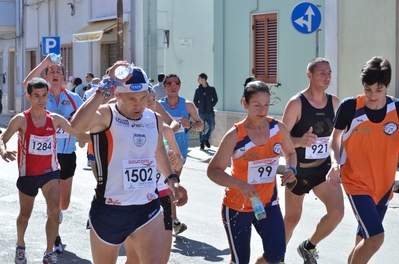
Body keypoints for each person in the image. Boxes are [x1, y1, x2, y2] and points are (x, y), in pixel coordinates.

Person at [70, 63, 187, 264]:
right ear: (117, 94)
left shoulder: (154, 119)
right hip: (110, 209)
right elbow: (76, 126)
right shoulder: (106, 114)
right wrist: (102, 90)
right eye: (132, 99)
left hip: (147, 206)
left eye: (143, 98)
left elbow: (158, 150)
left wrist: (172, 180)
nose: (139, 104)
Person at [207, 80, 297, 264]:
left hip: (268, 204)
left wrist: (291, 168)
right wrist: (240, 184)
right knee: (240, 261)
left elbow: (291, 152)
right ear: (245, 104)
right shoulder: (235, 135)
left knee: (277, 254)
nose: (262, 111)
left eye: (266, 105)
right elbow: (213, 171)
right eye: (256, 105)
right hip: (237, 207)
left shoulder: (277, 128)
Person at [0, 77, 88, 264]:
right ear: (28, 96)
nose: (41, 99)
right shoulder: (21, 119)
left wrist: (98, 136)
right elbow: (2, 138)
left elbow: (77, 133)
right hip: (28, 174)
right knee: (25, 215)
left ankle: (49, 252)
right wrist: (3, 150)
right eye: (36, 96)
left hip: (51, 172)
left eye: (44, 95)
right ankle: (20, 245)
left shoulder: (55, 119)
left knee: (54, 210)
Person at [327, 56, 399, 264]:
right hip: (356, 183)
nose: (373, 95)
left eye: (379, 89)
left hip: (384, 187)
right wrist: (334, 163)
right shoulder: (350, 107)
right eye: (368, 89)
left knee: (363, 239)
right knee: (376, 238)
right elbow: (335, 137)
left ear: (387, 86)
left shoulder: (396, 109)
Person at [281, 58, 344, 264]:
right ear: (310, 75)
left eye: (329, 73)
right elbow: (279, 139)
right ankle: (276, 256)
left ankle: (308, 246)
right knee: (291, 220)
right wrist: (299, 141)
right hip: (298, 171)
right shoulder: (297, 103)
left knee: (337, 213)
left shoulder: (334, 103)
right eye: (322, 73)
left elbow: (340, 136)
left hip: (323, 170)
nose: (327, 77)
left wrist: (338, 162)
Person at [23, 54, 85, 254]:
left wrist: (83, 135)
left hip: (67, 154)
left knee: (63, 204)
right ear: (47, 77)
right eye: (52, 71)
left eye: (59, 71)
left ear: (65, 77)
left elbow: (87, 119)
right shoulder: (40, 96)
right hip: (47, 156)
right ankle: (55, 237)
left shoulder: (75, 99)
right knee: (53, 205)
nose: (55, 74)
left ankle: (56, 213)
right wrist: (45, 63)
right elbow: (27, 83)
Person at [123, 87, 185, 264]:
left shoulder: (165, 129)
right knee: (134, 259)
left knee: (161, 259)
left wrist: (175, 160)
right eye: (145, 99)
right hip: (135, 198)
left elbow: (179, 161)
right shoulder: (125, 127)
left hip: (162, 196)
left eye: (152, 99)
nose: (149, 103)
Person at [159, 73, 204, 235]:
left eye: (176, 83)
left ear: (180, 86)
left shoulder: (187, 105)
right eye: (169, 83)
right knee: (167, 186)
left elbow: (201, 125)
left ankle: (170, 220)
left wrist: (191, 125)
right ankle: (172, 220)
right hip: (162, 153)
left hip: (179, 155)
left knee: (171, 185)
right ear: (164, 87)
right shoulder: (159, 105)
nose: (172, 86)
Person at [193, 73, 218, 150]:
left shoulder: (211, 89)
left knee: (212, 126)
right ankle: (202, 143)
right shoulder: (198, 90)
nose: (198, 80)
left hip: (210, 111)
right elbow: (195, 100)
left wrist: (211, 105)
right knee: (201, 128)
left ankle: (205, 138)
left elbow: (215, 99)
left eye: (199, 78)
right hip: (201, 112)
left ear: (203, 79)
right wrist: (199, 106)